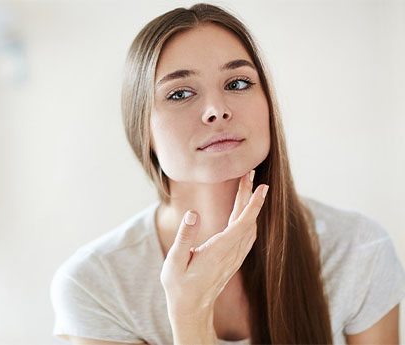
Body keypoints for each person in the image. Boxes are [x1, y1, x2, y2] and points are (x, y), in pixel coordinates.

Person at [50, 3, 405, 344]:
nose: (216, 111)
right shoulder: (95, 284)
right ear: (142, 129)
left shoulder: (358, 250)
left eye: (237, 84)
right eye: (180, 93)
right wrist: (190, 313)